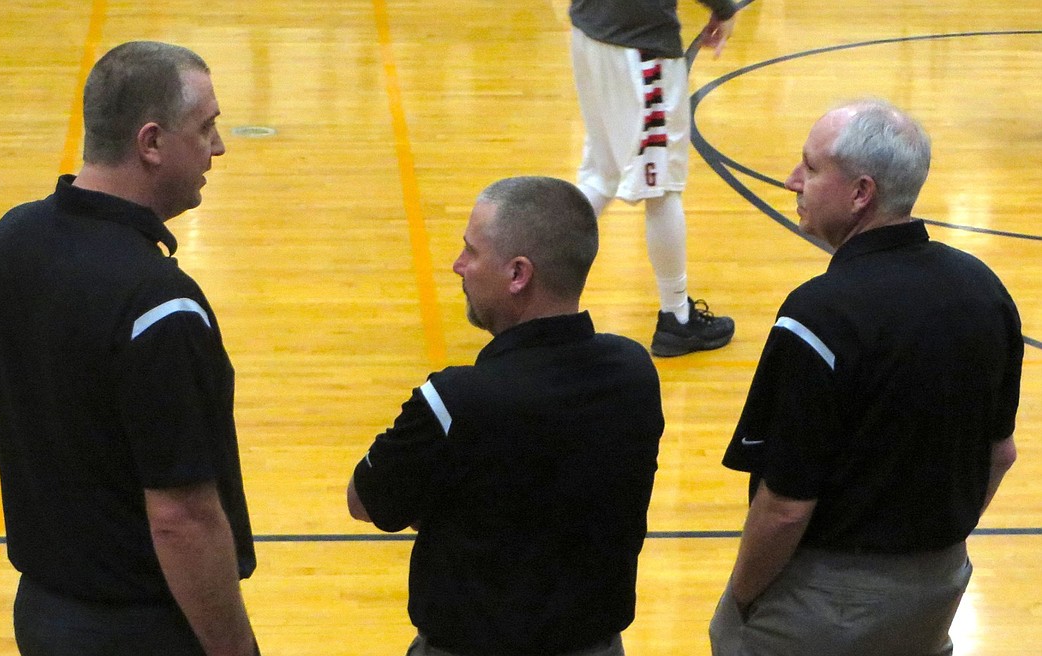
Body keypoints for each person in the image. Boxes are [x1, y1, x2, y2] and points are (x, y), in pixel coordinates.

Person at [0, 41, 259, 656]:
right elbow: (181, 517)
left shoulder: (7, 242)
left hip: (44, 614)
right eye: (205, 127)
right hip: (140, 630)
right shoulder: (158, 304)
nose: (219, 146)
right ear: (150, 143)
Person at [710, 99, 1022, 656]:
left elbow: (784, 509)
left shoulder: (819, 315)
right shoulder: (984, 289)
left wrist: (740, 599)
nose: (791, 181)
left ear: (861, 193)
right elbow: (1000, 455)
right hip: (938, 591)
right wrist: (930, 553)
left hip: (826, 609)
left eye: (810, 167)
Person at [346, 176, 664, 656]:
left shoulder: (455, 400)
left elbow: (365, 500)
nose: (458, 266)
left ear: (519, 274)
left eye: (470, 252)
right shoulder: (634, 373)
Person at [569, 0, 739, 357]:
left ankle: (525, 281)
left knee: (602, 176)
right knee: (661, 188)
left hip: (590, 30)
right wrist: (724, 8)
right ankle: (676, 319)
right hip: (638, 42)